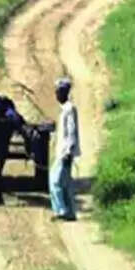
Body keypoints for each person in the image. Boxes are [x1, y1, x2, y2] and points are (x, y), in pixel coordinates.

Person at [50, 77, 80, 221]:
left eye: (58, 91)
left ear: (64, 92)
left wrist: (68, 151)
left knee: (55, 182)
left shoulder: (69, 109)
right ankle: (70, 212)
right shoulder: (64, 110)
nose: (56, 94)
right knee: (66, 184)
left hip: (65, 153)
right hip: (61, 152)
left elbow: (72, 131)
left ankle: (61, 210)